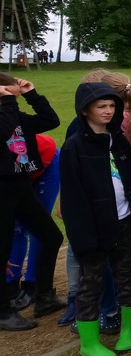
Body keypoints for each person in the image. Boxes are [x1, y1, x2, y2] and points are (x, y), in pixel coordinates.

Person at [60, 69, 131, 333]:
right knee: (91, 280)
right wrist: (81, 230)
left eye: (111, 106)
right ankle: (90, 339)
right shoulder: (74, 146)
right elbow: (72, 192)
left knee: (125, 275)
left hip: (123, 219)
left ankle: (125, 328)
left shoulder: (119, 142)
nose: (108, 111)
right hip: (94, 224)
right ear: (85, 110)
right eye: (101, 106)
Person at [0, 73, 65, 331]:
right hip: (2, 189)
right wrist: (8, 100)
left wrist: (31, 94)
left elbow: (51, 120)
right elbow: (4, 130)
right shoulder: (7, 116)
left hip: (21, 187)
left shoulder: (15, 116)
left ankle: (44, 296)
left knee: (51, 237)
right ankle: (3, 311)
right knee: (3, 247)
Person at [5, 134, 58, 312]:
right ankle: (11, 284)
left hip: (46, 162)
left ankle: (33, 285)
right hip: (16, 174)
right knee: (16, 228)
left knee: (40, 229)